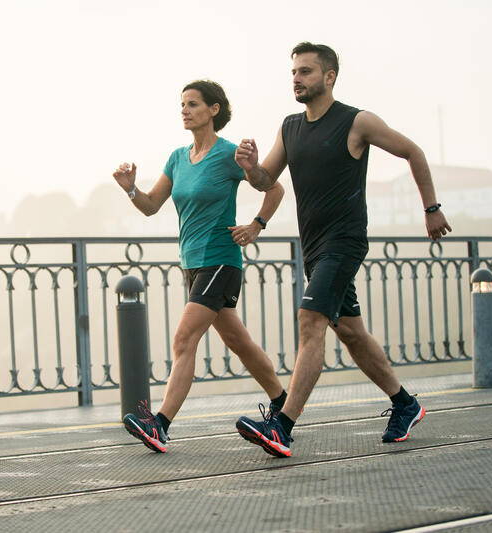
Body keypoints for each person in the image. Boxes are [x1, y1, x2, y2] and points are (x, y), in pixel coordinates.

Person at [234, 42, 452, 458]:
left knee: (310, 319)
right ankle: (405, 403)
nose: (296, 79)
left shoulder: (356, 122)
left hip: (344, 241)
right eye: (293, 72)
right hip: (313, 247)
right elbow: (267, 180)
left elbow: (413, 151)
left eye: (306, 72)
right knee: (351, 332)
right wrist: (250, 169)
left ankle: (282, 426)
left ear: (329, 76)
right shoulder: (290, 127)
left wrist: (432, 208)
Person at [113, 80, 287, 453]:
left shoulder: (229, 155)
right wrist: (130, 189)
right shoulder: (177, 158)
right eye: (182, 105)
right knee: (238, 341)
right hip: (192, 263)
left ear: (214, 110)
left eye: (193, 104)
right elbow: (150, 205)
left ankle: (160, 424)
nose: (185, 110)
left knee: (183, 338)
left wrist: (257, 225)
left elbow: (274, 189)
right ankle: (281, 400)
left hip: (221, 259)